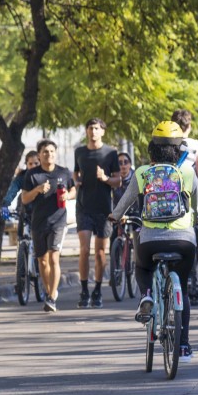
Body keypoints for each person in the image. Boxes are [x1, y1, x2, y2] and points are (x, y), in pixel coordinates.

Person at [110, 121, 198, 362]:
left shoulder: (142, 173)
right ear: (179, 150)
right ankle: (183, 346)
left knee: (142, 267)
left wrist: (114, 216)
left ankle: (147, 294)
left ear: (152, 149)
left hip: (150, 241)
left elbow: (124, 204)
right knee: (181, 281)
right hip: (184, 241)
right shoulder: (188, 173)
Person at [21, 140, 76, 313]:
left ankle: (51, 297)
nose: (49, 154)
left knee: (54, 258)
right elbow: (24, 199)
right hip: (38, 222)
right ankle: (48, 291)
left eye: (52, 151)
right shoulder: (32, 175)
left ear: (55, 153)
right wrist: (37, 190)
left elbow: (73, 190)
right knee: (42, 261)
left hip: (58, 221)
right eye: (45, 152)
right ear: (39, 154)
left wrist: (67, 195)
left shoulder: (64, 172)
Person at [73, 118, 121, 309]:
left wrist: (105, 178)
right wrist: (76, 182)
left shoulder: (110, 153)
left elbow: (118, 180)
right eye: (90, 128)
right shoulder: (79, 151)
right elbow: (75, 173)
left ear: (102, 131)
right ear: (86, 131)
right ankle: (84, 289)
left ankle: (98, 289)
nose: (93, 132)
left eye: (96, 128)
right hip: (84, 207)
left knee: (100, 252)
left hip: (103, 209)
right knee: (84, 250)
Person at [171, 109, 198, 305]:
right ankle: (191, 285)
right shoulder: (194, 146)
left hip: (167, 201)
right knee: (191, 244)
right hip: (189, 202)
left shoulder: (164, 143)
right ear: (189, 126)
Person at [1, 151, 39, 239]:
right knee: (22, 237)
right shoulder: (22, 177)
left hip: (43, 213)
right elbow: (12, 191)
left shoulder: (46, 175)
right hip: (26, 211)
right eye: (30, 163)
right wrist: (5, 205)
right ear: (26, 164)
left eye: (36, 163)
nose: (33, 166)